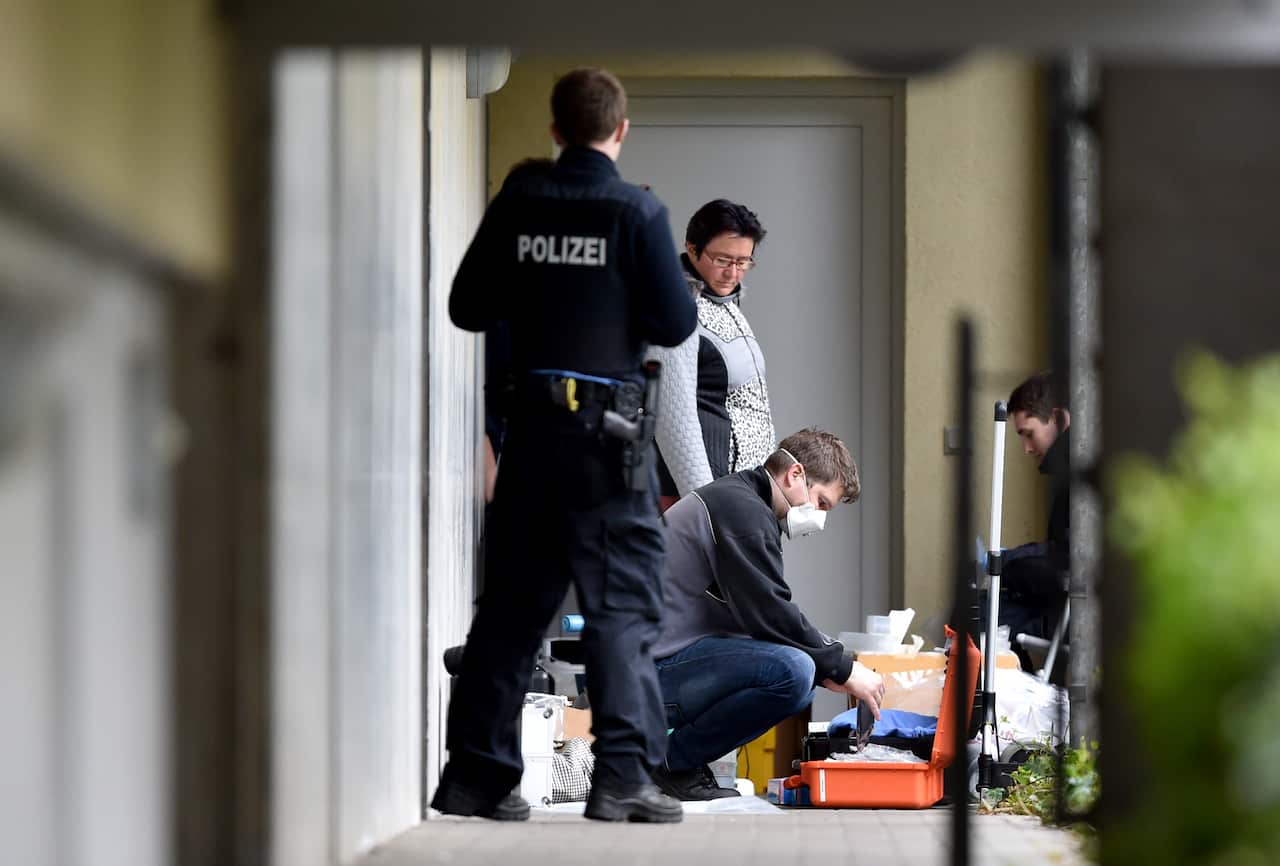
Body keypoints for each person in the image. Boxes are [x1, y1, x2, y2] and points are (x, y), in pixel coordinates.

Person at [431, 68, 696, 823]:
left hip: (532, 437)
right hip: (608, 444)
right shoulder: (637, 211)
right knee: (622, 607)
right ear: (621, 131)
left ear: (554, 130)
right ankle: (622, 778)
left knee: (512, 610)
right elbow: (676, 323)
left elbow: (467, 305)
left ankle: (477, 779)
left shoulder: (521, 202)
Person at [649, 427, 886, 800]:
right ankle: (670, 762)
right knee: (795, 671)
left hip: (655, 665)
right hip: (646, 675)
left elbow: (763, 619)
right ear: (795, 475)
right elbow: (770, 612)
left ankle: (672, 761)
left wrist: (828, 669)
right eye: (822, 503)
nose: (820, 518)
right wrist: (842, 667)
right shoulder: (741, 511)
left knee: (803, 669)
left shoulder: (741, 503)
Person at [648, 200, 774, 511]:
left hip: (739, 489)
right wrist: (704, 506)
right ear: (692, 249)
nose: (733, 273)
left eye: (743, 262)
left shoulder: (724, 301)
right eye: (722, 260)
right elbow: (674, 418)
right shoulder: (678, 307)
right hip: (699, 494)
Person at [1000, 371, 1071, 675]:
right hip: (1064, 602)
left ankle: (1020, 694)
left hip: (1072, 608)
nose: (1027, 448)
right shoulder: (1071, 470)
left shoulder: (1079, 473)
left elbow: (1068, 558)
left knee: (982, 614)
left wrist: (1007, 564)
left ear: (1058, 419)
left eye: (1029, 434)